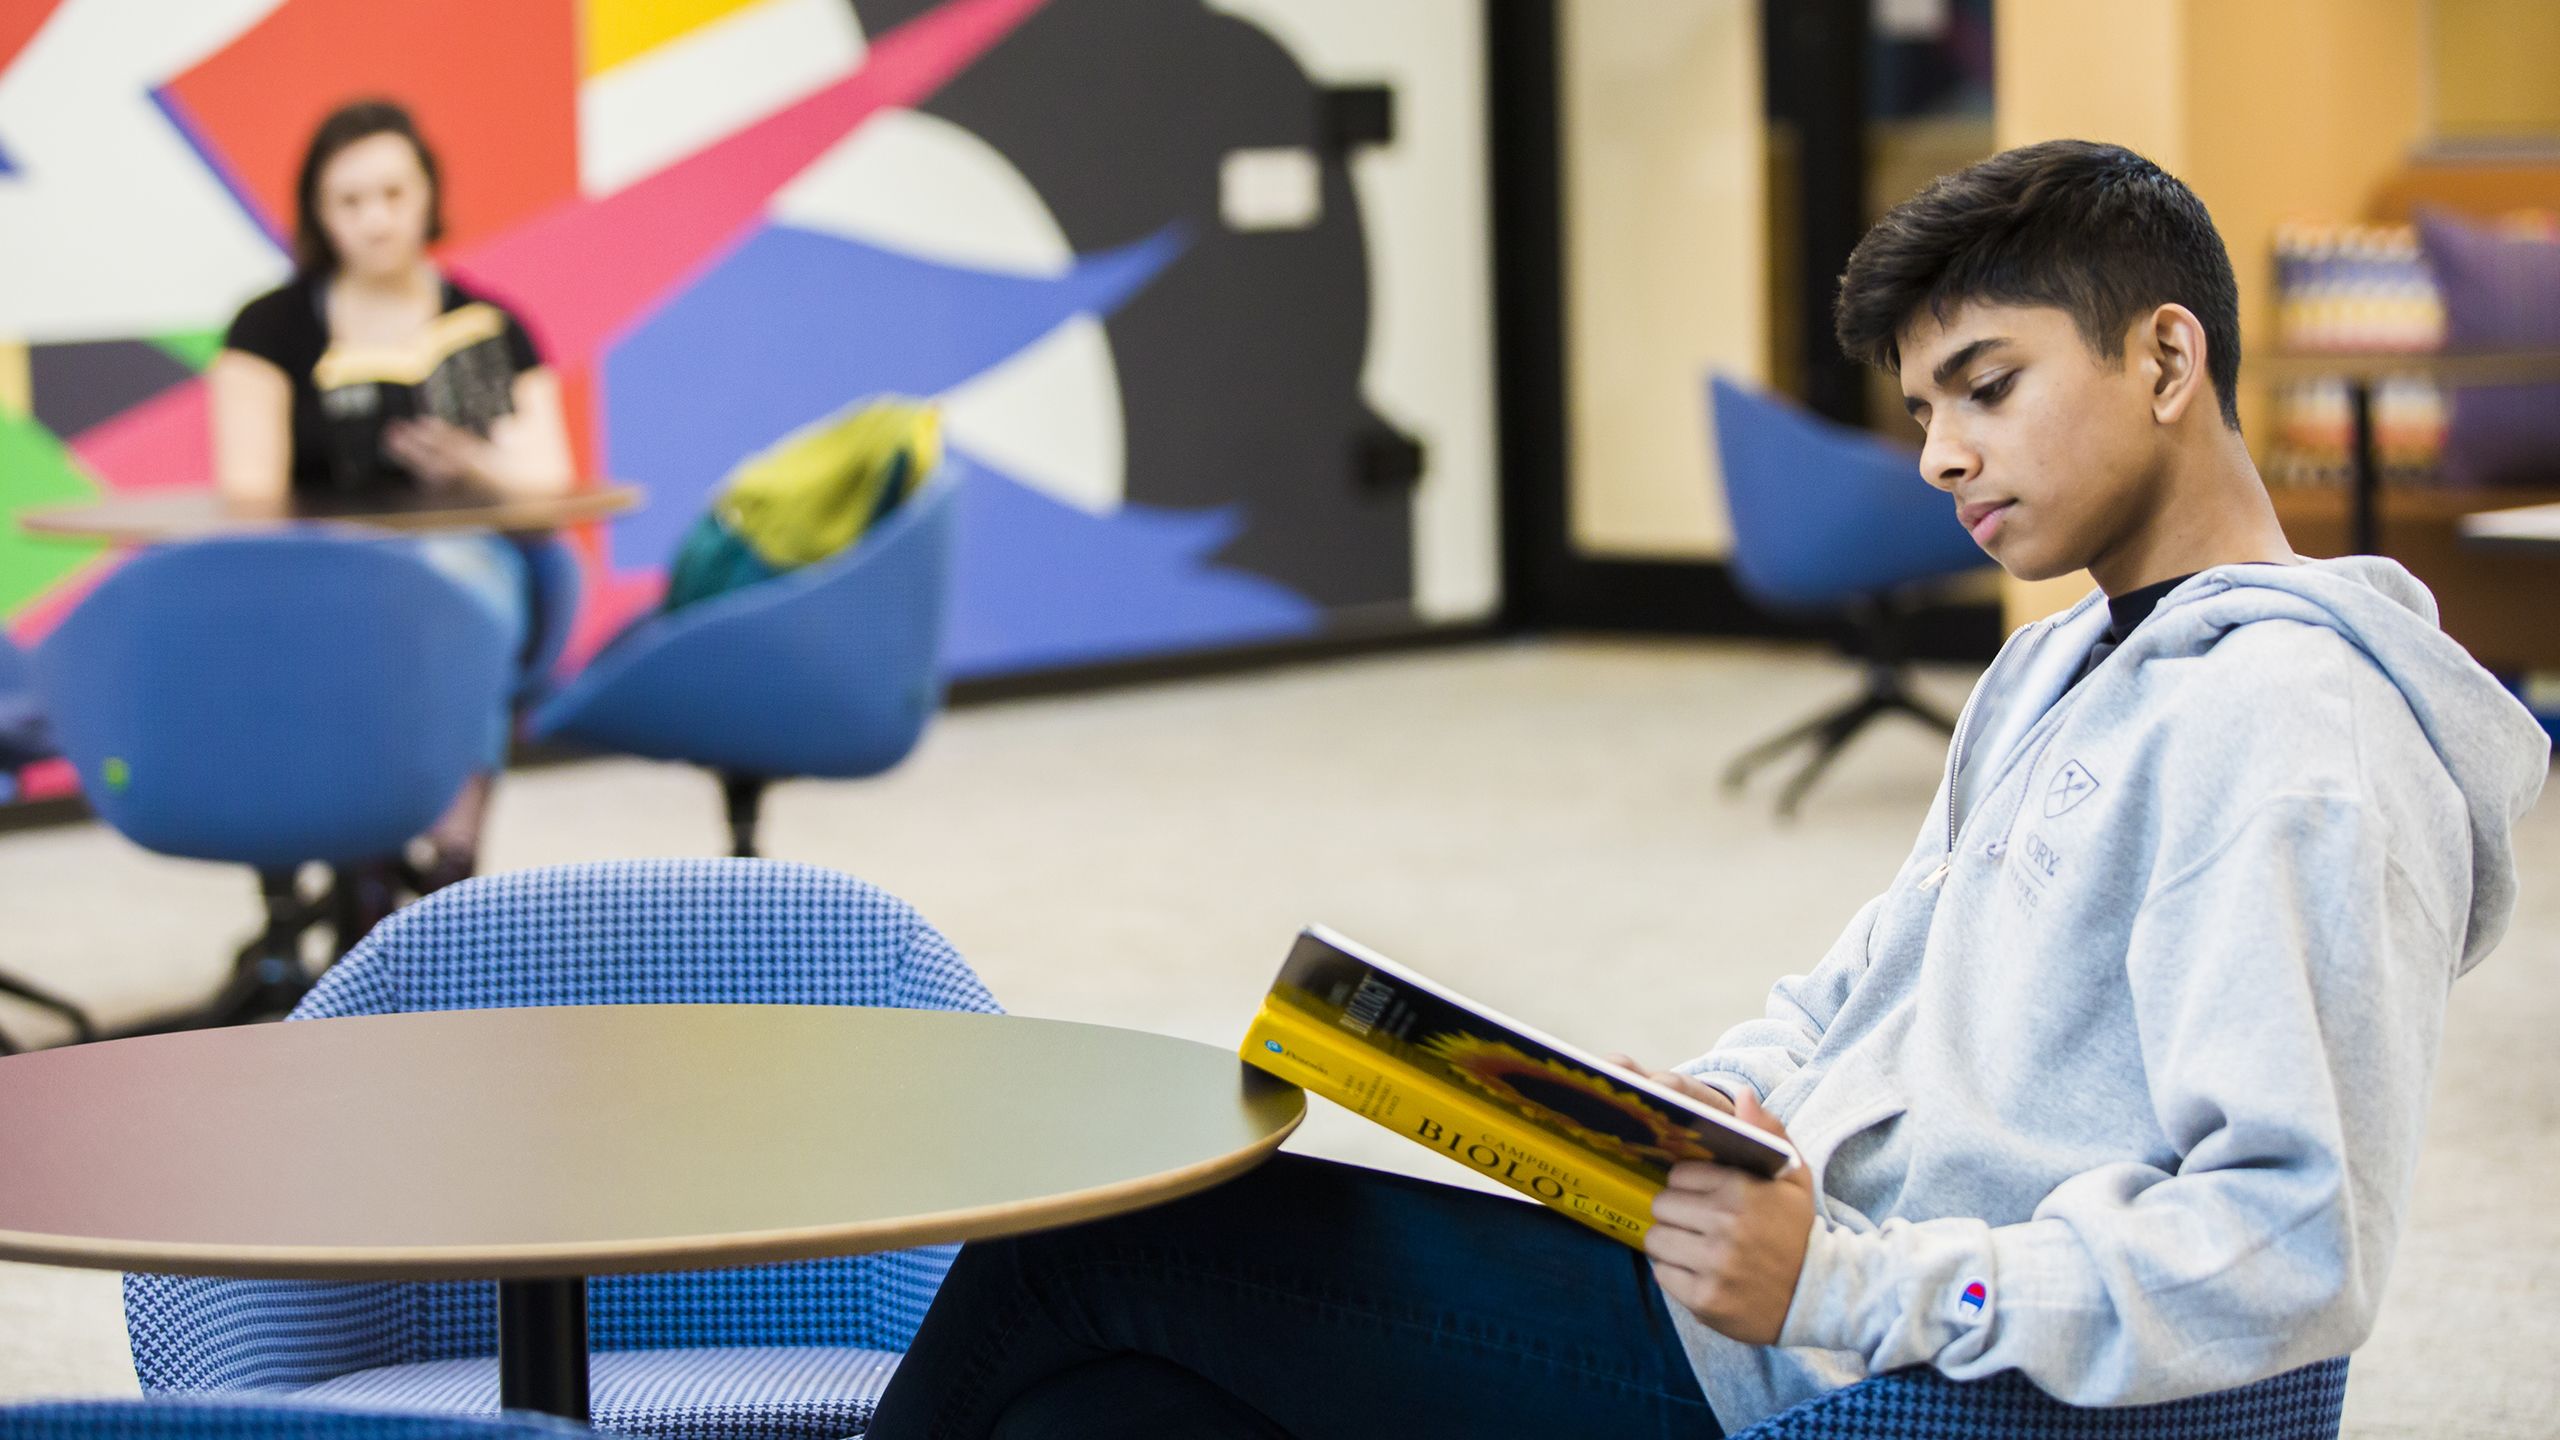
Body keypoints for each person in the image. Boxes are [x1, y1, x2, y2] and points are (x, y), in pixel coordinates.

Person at [861, 140, 2551, 1438]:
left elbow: (2290, 1242)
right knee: (1109, 1409)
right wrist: (1701, 1104)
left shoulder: (2292, 731)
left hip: (1823, 1359)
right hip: (1745, 1284)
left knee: (1085, 1253)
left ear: (2168, 360)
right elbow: (1868, 985)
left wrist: (1850, 1279)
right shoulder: (2054, 661)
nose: (1943, 456)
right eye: (1920, 412)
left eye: (1990, 388)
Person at [210, 98, 574, 888]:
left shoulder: (489, 327)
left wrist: (472, 462)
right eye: (349, 201)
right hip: (320, 578)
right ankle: (369, 858)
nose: (376, 221)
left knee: (474, 587)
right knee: (413, 606)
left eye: (393, 195)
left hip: (464, 572)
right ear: (317, 212)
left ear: (427, 197)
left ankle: (452, 858)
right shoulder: (268, 330)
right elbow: (248, 496)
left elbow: (552, 483)